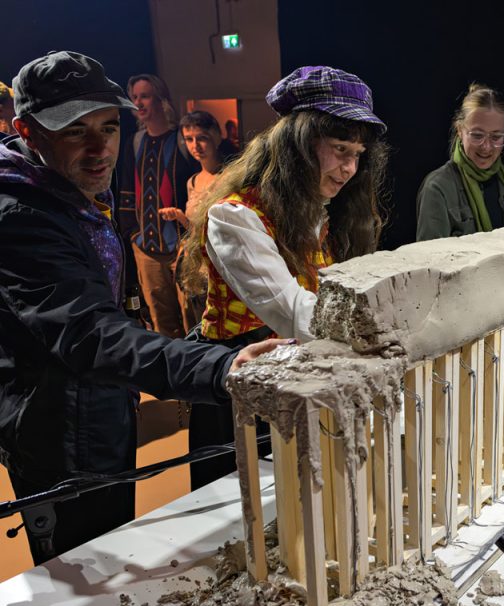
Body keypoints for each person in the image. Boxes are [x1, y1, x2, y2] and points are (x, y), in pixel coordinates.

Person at [0, 51, 283, 564]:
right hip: (60, 426)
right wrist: (221, 366)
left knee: (112, 542)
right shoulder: (22, 215)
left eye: (108, 128)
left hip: (97, 403)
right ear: (28, 131)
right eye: (74, 131)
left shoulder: (62, 189)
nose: (99, 148)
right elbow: (92, 334)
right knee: (87, 565)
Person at [180, 65, 389, 489]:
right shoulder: (236, 217)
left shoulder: (327, 214)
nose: (349, 168)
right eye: (340, 149)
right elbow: (293, 312)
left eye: (357, 154)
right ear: (299, 144)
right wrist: (378, 336)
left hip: (304, 377)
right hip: (245, 385)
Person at [117, 73, 199, 338]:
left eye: (145, 96)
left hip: (181, 247)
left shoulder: (182, 141)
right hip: (146, 248)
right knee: (161, 322)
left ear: (161, 99)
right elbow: (127, 191)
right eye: (134, 97)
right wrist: (132, 234)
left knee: (192, 317)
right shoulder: (134, 142)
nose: (138, 103)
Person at [416, 83, 504, 240]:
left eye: (496, 137)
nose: (486, 146)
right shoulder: (438, 187)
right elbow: (430, 254)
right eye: (477, 135)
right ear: (460, 130)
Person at [159, 110, 230, 329]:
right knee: (194, 322)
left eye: (202, 138)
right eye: (189, 139)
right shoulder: (193, 181)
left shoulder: (229, 178)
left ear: (216, 136)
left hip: (219, 264)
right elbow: (194, 229)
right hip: (194, 263)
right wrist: (180, 217)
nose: (195, 145)